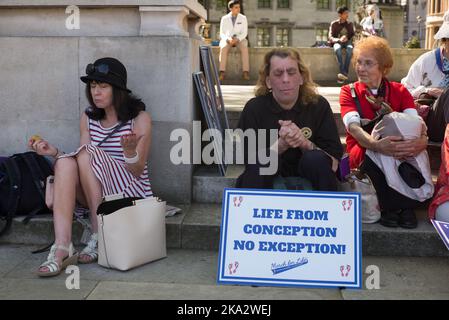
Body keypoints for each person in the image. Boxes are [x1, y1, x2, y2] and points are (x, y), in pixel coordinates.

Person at [32, 57, 153, 277]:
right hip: (95, 192)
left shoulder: (140, 119)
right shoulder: (88, 118)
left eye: (103, 86)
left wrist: (129, 152)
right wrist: (55, 153)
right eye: (93, 86)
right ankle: (62, 246)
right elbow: (80, 162)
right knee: (65, 162)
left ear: (118, 90)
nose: (96, 92)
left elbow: (137, 172)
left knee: (86, 153)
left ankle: (98, 233)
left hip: (127, 194)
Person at [340, 36, 429, 229]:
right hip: (362, 149)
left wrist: (422, 141)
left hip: (396, 147)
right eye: (359, 62)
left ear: (383, 67)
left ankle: (397, 206)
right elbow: (353, 128)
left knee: (406, 145)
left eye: (368, 63)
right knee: (380, 151)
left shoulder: (399, 90)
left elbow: (414, 124)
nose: (360, 68)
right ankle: (400, 206)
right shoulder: (349, 91)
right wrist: (376, 144)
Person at [235, 48, 343, 191]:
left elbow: (334, 163)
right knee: (262, 161)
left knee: (316, 159)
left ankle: (329, 210)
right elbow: (247, 162)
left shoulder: (318, 106)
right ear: (268, 81)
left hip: (311, 175)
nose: (285, 79)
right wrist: (280, 145)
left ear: (301, 77)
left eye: (291, 73)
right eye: (278, 74)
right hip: (267, 179)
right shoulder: (254, 108)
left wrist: (304, 143)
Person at [401, 10, 449, 142]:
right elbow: (404, 91)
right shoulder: (427, 61)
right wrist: (427, 90)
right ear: (444, 40)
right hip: (433, 125)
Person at [219, 0, 250, 81]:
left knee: (244, 48)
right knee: (223, 48)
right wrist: (228, 39)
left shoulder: (243, 18)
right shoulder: (224, 18)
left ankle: (245, 72)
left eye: (239, 7)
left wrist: (238, 39)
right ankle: (222, 72)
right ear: (231, 8)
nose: (238, 9)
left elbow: (245, 32)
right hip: (228, 39)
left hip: (240, 39)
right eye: (236, 7)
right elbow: (222, 32)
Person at [329, 6, 355, 84]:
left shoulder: (350, 24)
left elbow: (352, 35)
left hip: (348, 42)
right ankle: (343, 73)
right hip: (337, 42)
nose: (347, 15)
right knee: (338, 50)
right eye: (345, 13)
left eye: (347, 13)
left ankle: (343, 74)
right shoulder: (334, 24)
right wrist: (339, 39)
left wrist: (347, 37)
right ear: (340, 15)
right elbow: (330, 37)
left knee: (350, 49)